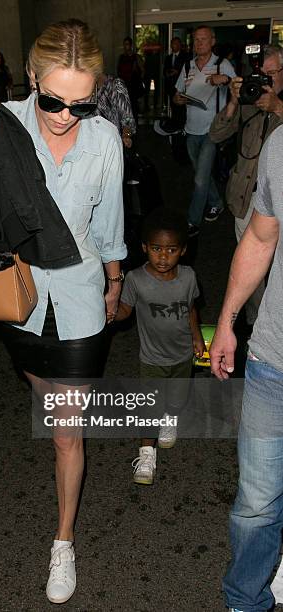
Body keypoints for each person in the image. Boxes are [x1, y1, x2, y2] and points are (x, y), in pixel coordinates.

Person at [0, 18, 126, 604]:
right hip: (19, 297)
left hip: (81, 299)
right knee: (46, 399)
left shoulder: (104, 138)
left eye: (81, 103)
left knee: (64, 431)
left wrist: (114, 284)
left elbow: (108, 226)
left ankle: (63, 541)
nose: (63, 115)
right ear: (31, 77)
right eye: (53, 98)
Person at [210, 124, 283, 612]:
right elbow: (260, 237)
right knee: (256, 502)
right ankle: (245, 600)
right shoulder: (281, 144)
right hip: (273, 360)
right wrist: (227, 319)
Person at [115, 208, 205, 484]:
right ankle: (146, 455)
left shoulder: (188, 277)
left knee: (176, 401)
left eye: (171, 250)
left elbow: (190, 308)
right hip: (152, 359)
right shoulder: (135, 279)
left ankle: (170, 417)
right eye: (156, 248)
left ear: (183, 250)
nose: (163, 256)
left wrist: (197, 336)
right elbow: (125, 312)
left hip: (182, 356)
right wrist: (105, 311)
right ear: (144, 248)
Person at [209, 45, 283, 327]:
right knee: (251, 261)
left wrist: (278, 107)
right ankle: (257, 322)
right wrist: (233, 102)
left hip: (279, 199)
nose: (264, 81)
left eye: (271, 74)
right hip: (247, 197)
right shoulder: (247, 100)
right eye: (259, 74)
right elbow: (216, 135)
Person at [174, 25, 236, 237]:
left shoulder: (222, 64)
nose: (199, 43)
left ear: (212, 41)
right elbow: (177, 94)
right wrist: (178, 99)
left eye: (203, 39)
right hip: (191, 129)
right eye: (196, 40)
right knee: (203, 172)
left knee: (200, 178)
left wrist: (225, 80)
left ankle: (192, 221)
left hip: (212, 130)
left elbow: (238, 87)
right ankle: (217, 202)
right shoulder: (187, 66)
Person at [94, 72, 136, 147]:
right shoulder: (82, 84)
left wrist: (126, 136)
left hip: (110, 144)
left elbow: (127, 119)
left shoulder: (116, 84)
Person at [117, 36, 144, 125]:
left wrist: (138, 78)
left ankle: (134, 126)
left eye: (127, 44)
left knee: (133, 108)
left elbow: (143, 71)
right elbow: (119, 72)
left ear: (131, 45)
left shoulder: (136, 57)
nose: (125, 47)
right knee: (124, 107)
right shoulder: (121, 57)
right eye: (124, 45)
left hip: (133, 87)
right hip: (124, 86)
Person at [163, 36, 187, 126]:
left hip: (181, 87)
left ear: (180, 45)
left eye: (176, 44)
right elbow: (165, 70)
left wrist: (177, 72)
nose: (174, 46)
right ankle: (175, 124)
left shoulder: (185, 56)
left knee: (181, 107)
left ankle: (181, 125)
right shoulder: (168, 57)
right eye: (172, 44)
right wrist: (168, 73)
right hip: (171, 86)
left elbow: (187, 71)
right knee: (173, 106)